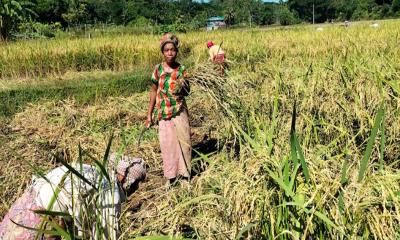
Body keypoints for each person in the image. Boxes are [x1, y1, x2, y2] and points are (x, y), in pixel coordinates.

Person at [0, 154, 146, 240]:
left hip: (26, 203)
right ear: (123, 177)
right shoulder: (110, 192)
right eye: (136, 183)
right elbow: (108, 235)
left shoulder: (91, 171)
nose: (136, 189)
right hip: (41, 218)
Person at [146, 33, 191, 187]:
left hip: (179, 110)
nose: (170, 53)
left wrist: (184, 85)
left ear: (176, 51)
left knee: (184, 143)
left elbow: (187, 92)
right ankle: (170, 177)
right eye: (167, 50)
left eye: (172, 50)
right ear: (162, 52)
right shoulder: (157, 69)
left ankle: (185, 176)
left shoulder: (182, 70)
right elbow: (153, 91)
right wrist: (149, 115)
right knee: (167, 145)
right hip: (163, 112)